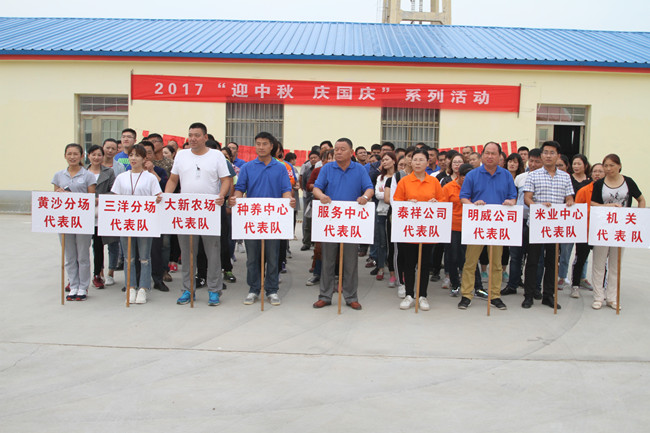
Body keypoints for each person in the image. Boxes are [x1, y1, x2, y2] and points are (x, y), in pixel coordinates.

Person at [164, 122, 232, 307]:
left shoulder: (216, 156)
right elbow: (173, 180)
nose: (192, 138)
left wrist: (221, 195)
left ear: (205, 137)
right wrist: (166, 197)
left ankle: (214, 290)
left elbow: (226, 180)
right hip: (186, 210)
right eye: (190, 135)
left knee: (213, 252)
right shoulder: (181, 155)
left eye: (197, 135)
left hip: (209, 210)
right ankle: (188, 289)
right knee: (187, 253)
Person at [229, 132, 295, 306]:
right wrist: (236, 199)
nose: (261, 147)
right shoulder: (247, 167)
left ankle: (272, 290)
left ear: (271, 146)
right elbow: (240, 188)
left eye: (265, 144)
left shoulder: (280, 168)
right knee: (252, 257)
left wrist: (289, 200)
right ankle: (254, 289)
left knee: (273, 256)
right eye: (258, 143)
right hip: (252, 219)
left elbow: (286, 189)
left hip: (273, 219)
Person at [312, 138, 374, 310]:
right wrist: (321, 196)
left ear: (351, 152)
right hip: (331, 221)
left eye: (342, 149)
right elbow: (316, 188)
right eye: (336, 149)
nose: (338, 152)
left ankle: (351, 296)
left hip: (351, 222)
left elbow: (369, 188)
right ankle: (325, 296)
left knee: (350, 262)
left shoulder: (359, 169)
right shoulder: (327, 168)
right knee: (328, 260)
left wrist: (365, 197)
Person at [457, 142, 516, 311]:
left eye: (493, 153)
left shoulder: (506, 175)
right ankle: (466, 295)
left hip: (497, 225)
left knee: (496, 263)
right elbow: (463, 197)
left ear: (499, 156)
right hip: (477, 225)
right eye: (487, 153)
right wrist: (473, 205)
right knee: (470, 262)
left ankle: (495, 295)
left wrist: (510, 202)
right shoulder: (472, 175)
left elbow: (513, 197)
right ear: (482, 155)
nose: (490, 156)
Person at [521, 141, 575, 310]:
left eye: (552, 153)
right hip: (537, 224)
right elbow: (527, 198)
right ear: (541, 155)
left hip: (555, 226)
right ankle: (529, 295)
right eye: (545, 152)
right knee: (532, 261)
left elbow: (569, 197)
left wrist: (570, 202)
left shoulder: (565, 177)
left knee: (552, 262)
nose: (548, 156)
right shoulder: (533, 175)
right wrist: (538, 207)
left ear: (558, 155)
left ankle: (548, 296)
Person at [590, 154, 645, 310]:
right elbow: (592, 203)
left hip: (621, 229)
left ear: (619, 166)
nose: (608, 169)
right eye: (606, 166)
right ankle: (598, 297)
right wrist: (607, 206)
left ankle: (612, 298)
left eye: (612, 165)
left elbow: (641, 199)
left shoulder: (628, 182)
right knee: (599, 263)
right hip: (603, 227)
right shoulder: (599, 184)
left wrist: (639, 217)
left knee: (615, 264)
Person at [393, 148, 444, 311]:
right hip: (409, 230)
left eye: (421, 160)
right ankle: (409, 294)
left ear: (427, 162)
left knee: (424, 264)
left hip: (427, 231)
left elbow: (442, 202)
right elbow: (397, 202)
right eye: (415, 159)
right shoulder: (404, 181)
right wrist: (407, 204)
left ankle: (422, 295)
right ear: (411, 162)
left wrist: (436, 203)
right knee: (409, 263)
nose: (417, 163)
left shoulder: (434, 182)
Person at [110, 144, 162, 304]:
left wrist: (157, 199)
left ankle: (143, 288)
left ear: (144, 158)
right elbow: (115, 199)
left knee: (144, 257)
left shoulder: (150, 177)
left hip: (145, 223)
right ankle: (130, 287)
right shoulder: (121, 177)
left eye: (137, 155)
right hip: (126, 222)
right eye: (131, 155)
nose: (133, 158)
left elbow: (158, 196)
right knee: (128, 258)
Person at [52, 144, 97, 301]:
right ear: (65, 155)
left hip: (82, 220)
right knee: (69, 256)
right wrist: (59, 193)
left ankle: (83, 286)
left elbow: (91, 198)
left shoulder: (88, 175)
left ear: (81, 156)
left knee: (82, 255)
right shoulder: (58, 175)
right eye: (69, 154)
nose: (72, 157)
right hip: (65, 220)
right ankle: (73, 285)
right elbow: (54, 199)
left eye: (75, 154)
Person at [501, 148, 543, 296]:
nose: (533, 164)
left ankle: (535, 287)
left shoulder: (545, 179)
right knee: (515, 255)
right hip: (519, 219)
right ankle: (512, 284)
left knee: (537, 257)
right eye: (531, 161)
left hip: (537, 220)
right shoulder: (520, 177)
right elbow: (514, 196)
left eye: (537, 161)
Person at [569, 162, 604, 299]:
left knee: (602, 262)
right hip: (585, 231)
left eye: (600, 171)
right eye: (595, 171)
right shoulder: (584, 190)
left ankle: (600, 288)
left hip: (602, 232)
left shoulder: (607, 192)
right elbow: (577, 211)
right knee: (580, 259)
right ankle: (575, 286)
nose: (597, 174)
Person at [86, 144, 116, 290]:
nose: (96, 157)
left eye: (99, 155)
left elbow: (113, 190)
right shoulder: (83, 172)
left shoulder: (109, 172)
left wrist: (101, 199)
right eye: (93, 154)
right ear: (88, 156)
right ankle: (77, 277)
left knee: (98, 246)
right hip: (83, 213)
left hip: (101, 214)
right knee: (82, 247)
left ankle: (97, 274)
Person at [442, 163, 473, 296]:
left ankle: (473, 285)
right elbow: (443, 207)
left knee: (469, 258)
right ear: (459, 175)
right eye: (464, 176)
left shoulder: (475, 187)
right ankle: (455, 284)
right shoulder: (448, 187)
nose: (466, 179)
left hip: (470, 227)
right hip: (453, 227)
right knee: (453, 257)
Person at [372, 151, 397, 283]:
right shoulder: (380, 178)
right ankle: (381, 267)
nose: (384, 162)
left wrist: (387, 194)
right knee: (381, 242)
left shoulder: (399, 176)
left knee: (393, 243)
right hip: (381, 212)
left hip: (395, 214)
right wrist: (390, 195)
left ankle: (394, 269)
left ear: (394, 161)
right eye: (383, 160)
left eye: (387, 159)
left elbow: (399, 195)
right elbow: (377, 194)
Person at [300, 149, 321, 251]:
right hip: (310, 198)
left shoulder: (322, 170)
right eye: (311, 158)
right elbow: (305, 185)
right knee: (308, 222)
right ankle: (306, 242)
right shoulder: (308, 171)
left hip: (323, 201)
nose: (313, 159)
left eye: (315, 158)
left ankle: (316, 243)